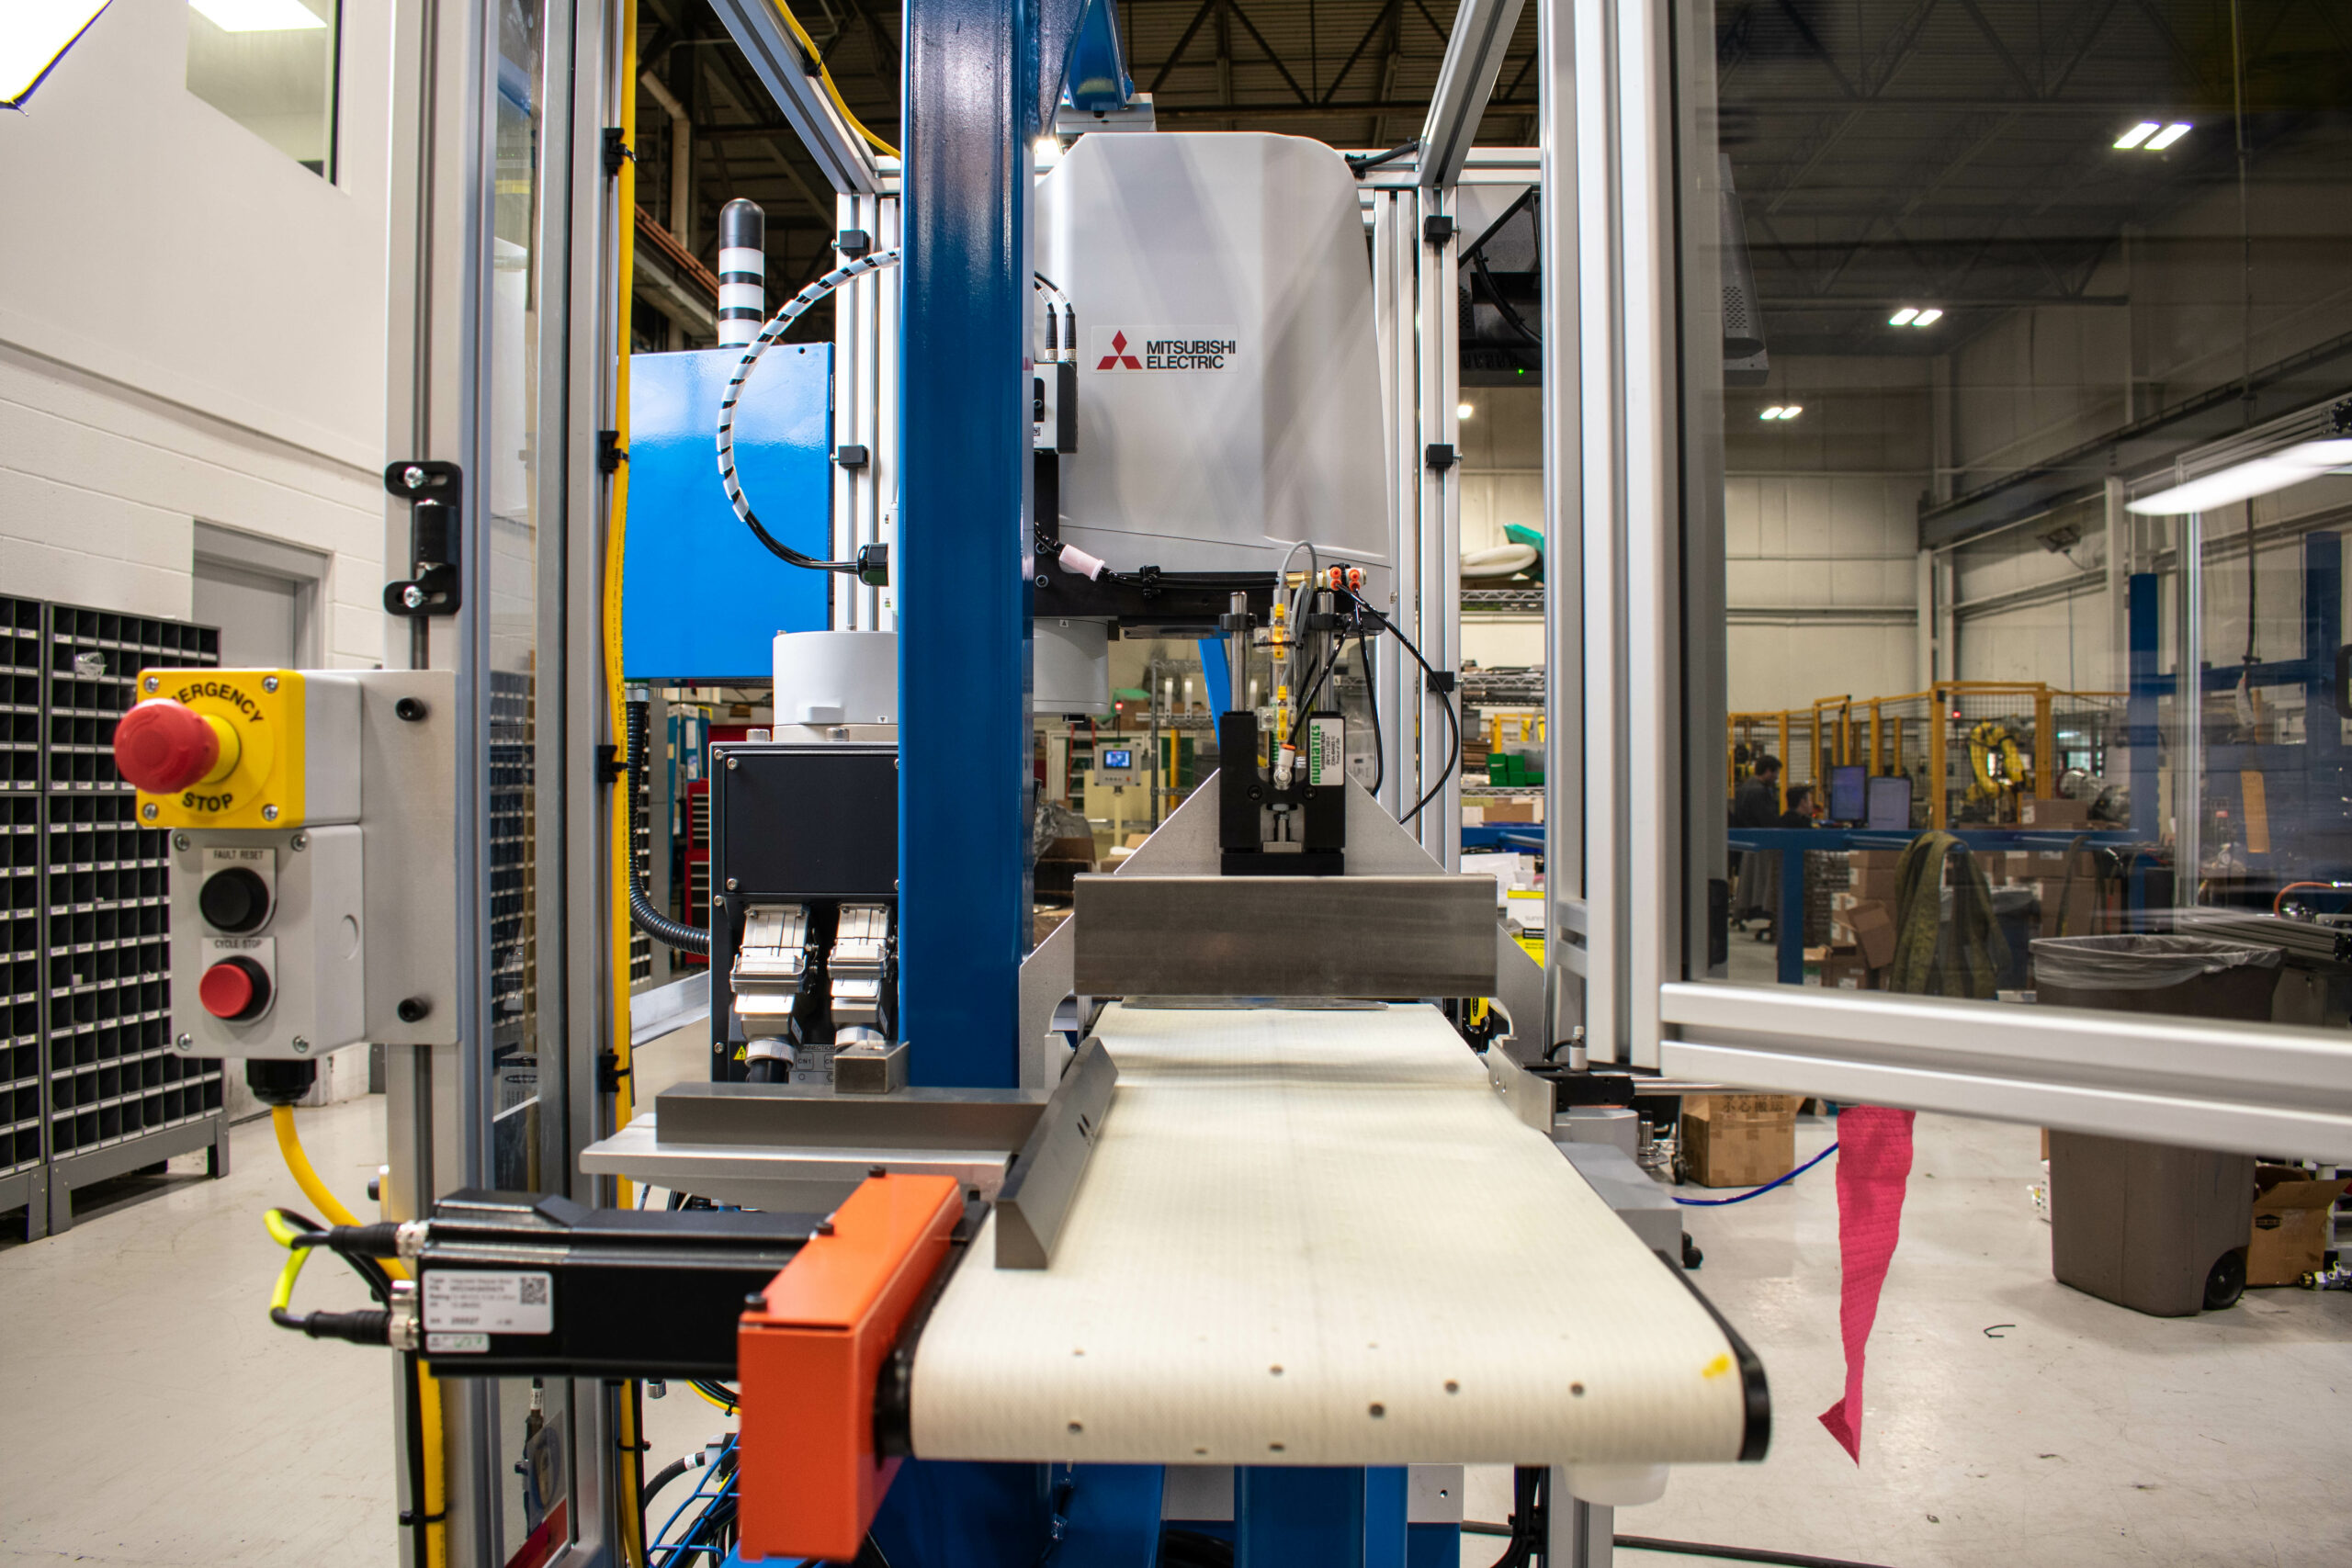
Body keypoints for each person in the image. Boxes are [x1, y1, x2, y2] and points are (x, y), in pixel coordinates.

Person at [1732, 755, 1783, 829]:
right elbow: (1769, 821)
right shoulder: (1760, 792)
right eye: (1776, 772)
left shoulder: (1742, 788)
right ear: (1768, 771)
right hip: (1758, 833)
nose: (1776, 777)